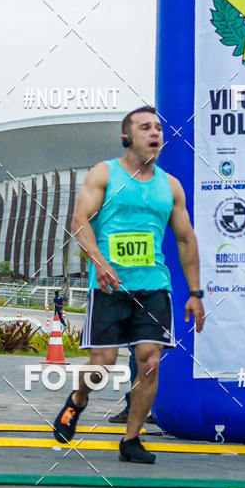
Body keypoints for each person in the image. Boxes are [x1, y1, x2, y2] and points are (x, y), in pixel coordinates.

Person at [53, 106, 205, 463]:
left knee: (149, 360)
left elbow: (186, 239)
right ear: (126, 138)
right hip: (110, 285)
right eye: (145, 127)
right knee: (102, 363)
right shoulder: (105, 173)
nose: (155, 133)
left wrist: (195, 293)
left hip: (153, 286)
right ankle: (78, 399)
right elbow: (79, 222)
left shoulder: (170, 186)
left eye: (158, 128)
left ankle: (131, 439)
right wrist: (100, 263)